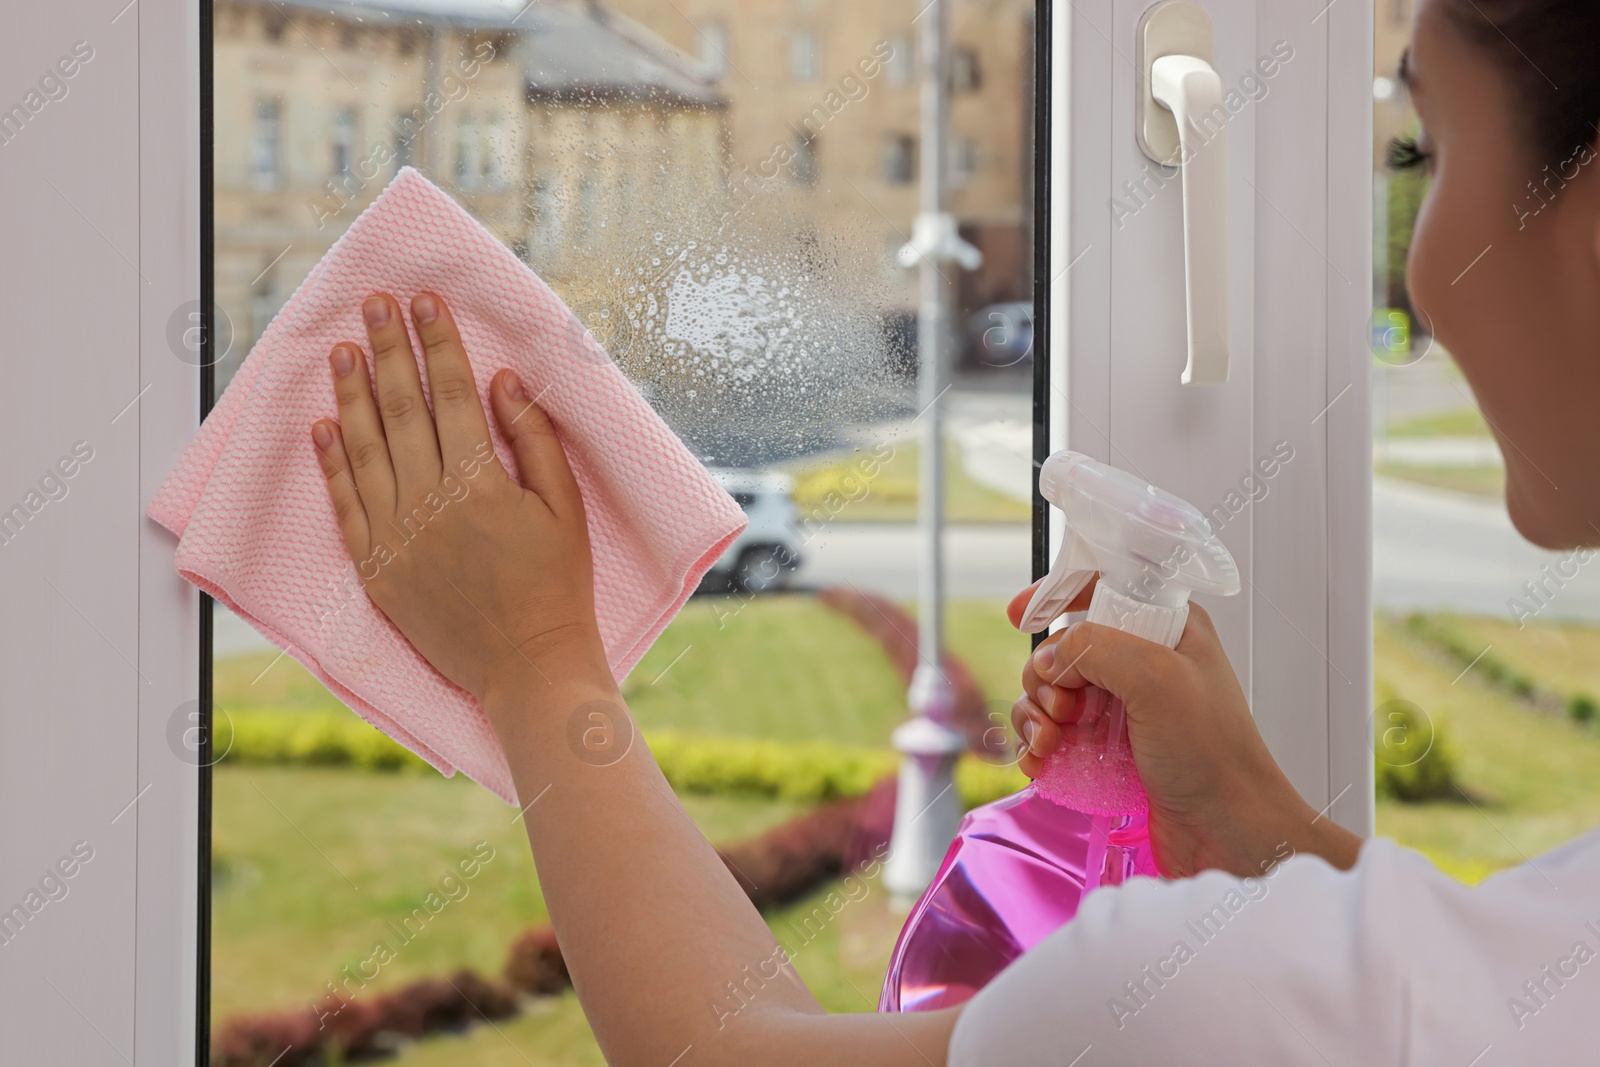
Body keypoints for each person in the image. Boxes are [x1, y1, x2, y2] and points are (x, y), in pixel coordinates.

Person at [307, 0, 1600, 1060]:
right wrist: (1261, 823)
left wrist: (538, 661)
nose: (1420, 248)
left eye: (1420, 151)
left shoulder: (1197, 1012)